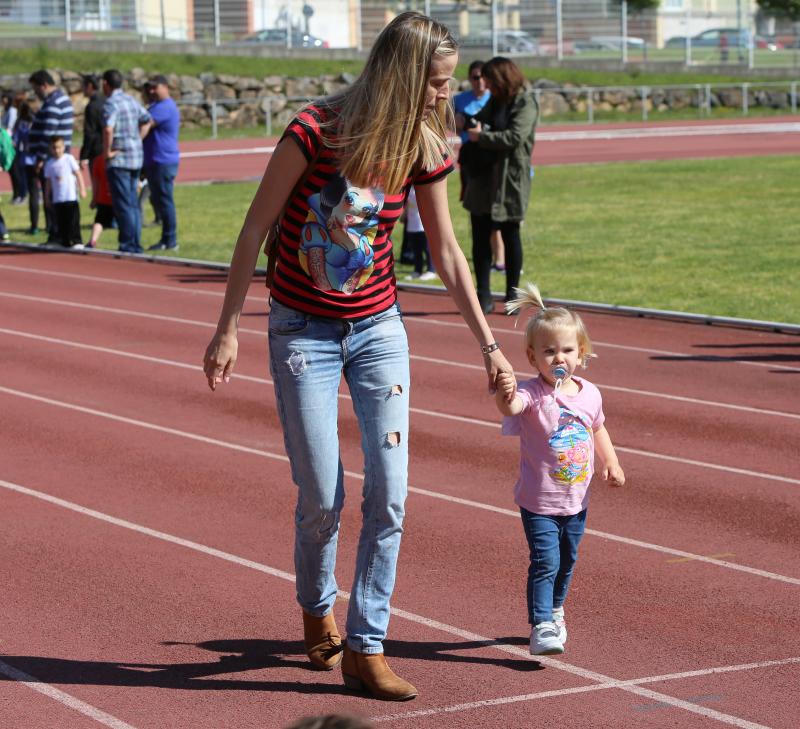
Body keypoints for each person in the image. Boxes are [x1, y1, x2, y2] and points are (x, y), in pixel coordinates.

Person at [203, 11, 515, 702]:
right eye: (436, 82)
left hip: (378, 329)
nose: (446, 93)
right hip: (301, 329)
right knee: (322, 493)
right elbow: (256, 225)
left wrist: (489, 346)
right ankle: (318, 607)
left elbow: (446, 251)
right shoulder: (315, 129)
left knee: (392, 492)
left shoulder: (425, 143)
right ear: (406, 77)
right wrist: (227, 327)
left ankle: (366, 644)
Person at [495, 283, 625, 656]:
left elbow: (597, 427)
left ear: (580, 354)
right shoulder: (533, 393)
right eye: (549, 351)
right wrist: (506, 393)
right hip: (539, 500)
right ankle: (541, 625)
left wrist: (611, 461)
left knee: (567, 561)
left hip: (577, 499)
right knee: (545, 561)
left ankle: (555, 609)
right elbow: (513, 408)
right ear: (532, 357)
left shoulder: (589, 393)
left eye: (566, 350)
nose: (558, 358)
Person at [463, 56, 538, 314]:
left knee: (511, 233)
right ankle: (482, 293)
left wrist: (481, 136)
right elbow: (477, 118)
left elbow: (515, 136)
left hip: (510, 179)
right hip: (484, 177)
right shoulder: (495, 101)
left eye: (491, 80)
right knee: (480, 234)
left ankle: (512, 296)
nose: (486, 85)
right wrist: (469, 121)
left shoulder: (525, 102)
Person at [102, 68, 152, 253]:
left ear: (106, 84)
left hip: (120, 159)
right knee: (133, 202)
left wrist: (107, 152)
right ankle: (134, 241)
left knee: (124, 203)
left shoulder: (111, 103)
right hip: (135, 158)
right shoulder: (131, 100)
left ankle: (128, 244)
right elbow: (147, 120)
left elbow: (108, 129)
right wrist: (137, 139)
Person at [28, 70, 74, 242]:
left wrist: (40, 157)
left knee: (53, 196)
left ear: (44, 86)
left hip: (52, 158)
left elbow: (49, 132)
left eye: (36, 89)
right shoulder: (59, 100)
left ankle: (57, 232)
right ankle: (57, 231)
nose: (35, 93)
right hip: (54, 157)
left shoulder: (54, 103)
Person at [142, 74, 180, 251]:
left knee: (164, 200)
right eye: (149, 88)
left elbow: (144, 124)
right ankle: (167, 239)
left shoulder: (163, 107)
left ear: (165, 87)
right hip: (157, 159)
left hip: (162, 160)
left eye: (154, 87)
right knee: (160, 200)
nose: (151, 91)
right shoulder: (158, 106)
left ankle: (170, 240)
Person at [43, 135, 86, 249]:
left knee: (73, 220)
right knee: (61, 221)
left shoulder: (69, 159)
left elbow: (78, 174)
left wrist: (82, 189)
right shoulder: (50, 164)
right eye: (54, 148)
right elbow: (48, 183)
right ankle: (64, 241)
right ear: (50, 149)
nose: (57, 150)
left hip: (70, 197)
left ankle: (77, 240)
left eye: (59, 147)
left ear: (63, 147)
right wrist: (47, 198)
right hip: (58, 198)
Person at [13, 102, 38, 233]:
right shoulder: (37, 121)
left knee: (30, 189)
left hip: (27, 158)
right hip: (38, 158)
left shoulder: (22, 124)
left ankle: (34, 226)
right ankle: (50, 226)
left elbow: (16, 141)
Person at [402, 186, 436, 281]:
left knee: (427, 248)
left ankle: (431, 270)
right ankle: (417, 270)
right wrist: (404, 215)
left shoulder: (425, 188)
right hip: (412, 224)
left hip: (423, 224)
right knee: (416, 249)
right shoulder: (409, 188)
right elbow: (408, 203)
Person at [87, 152, 115, 248]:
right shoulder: (121, 157)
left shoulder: (98, 160)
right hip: (119, 197)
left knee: (99, 221)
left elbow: (95, 181)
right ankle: (129, 242)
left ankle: (93, 240)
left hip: (103, 198)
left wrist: (94, 198)